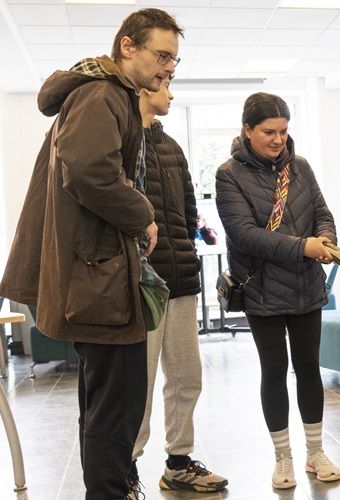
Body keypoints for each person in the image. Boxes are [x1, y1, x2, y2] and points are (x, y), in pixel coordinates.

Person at [0, 8, 180, 499]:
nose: (167, 68)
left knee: (104, 402)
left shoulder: (103, 93)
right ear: (127, 46)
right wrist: (142, 213)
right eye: (161, 55)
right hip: (99, 278)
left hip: (96, 273)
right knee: (114, 407)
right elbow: (88, 173)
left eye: (173, 61)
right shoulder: (103, 94)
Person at [216, 92, 340, 490]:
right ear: (247, 130)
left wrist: (326, 238)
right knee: (273, 372)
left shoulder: (300, 167)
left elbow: (322, 212)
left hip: (306, 287)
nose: (278, 140)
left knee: (309, 369)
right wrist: (303, 246)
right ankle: (282, 456)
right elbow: (244, 235)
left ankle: (316, 452)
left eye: (284, 132)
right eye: (269, 132)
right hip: (262, 291)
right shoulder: (228, 175)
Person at [130, 80, 228, 493]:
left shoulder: (171, 147)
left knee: (187, 376)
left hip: (181, 277)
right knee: (140, 382)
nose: (170, 94)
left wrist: (191, 241)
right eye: (163, 86)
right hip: (140, 283)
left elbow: (188, 209)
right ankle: (126, 468)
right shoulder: (122, 139)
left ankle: (179, 462)